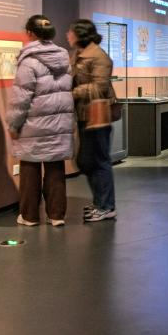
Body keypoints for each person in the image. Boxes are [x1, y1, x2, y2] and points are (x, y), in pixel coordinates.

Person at [6, 15, 74, 227]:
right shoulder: (63, 57)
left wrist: (13, 124)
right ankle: (57, 215)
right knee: (56, 169)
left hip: (33, 126)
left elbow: (21, 98)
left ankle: (29, 216)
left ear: (30, 33)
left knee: (30, 169)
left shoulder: (28, 61)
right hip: (59, 124)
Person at [68, 19, 118, 222]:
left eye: (71, 31)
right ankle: (100, 202)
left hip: (97, 115)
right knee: (86, 161)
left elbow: (100, 87)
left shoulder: (98, 56)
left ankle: (106, 206)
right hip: (84, 115)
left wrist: (73, 92)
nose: (68, 35)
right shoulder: (79, 54)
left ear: (80, 34)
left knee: (98, 160)